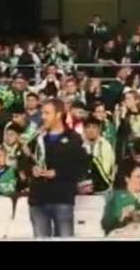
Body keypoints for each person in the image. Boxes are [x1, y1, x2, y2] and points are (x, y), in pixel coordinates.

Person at [28, 99, 88, 238]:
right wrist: (31, 169)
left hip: (62, 198)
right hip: (38, 199)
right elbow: (24, 160)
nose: (43, 117)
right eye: (42, 113)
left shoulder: (74, 139)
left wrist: (58, 173)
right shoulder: (36, 138)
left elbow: (81, 167)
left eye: (47, 113)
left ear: (58, 114)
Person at [101, 165, 140, 237]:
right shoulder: (116, 197)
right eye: (138, 177)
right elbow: (105, 224)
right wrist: (121, 218)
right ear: (127, 179)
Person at [83, 117, 117, 194]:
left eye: (94, 127)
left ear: (99, 130)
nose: (91, 130)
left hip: (102, 189)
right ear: (84, 129)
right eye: (88, 127)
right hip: (83, 190)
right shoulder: (80, 146)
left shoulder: (105, 146)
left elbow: (105, 171)